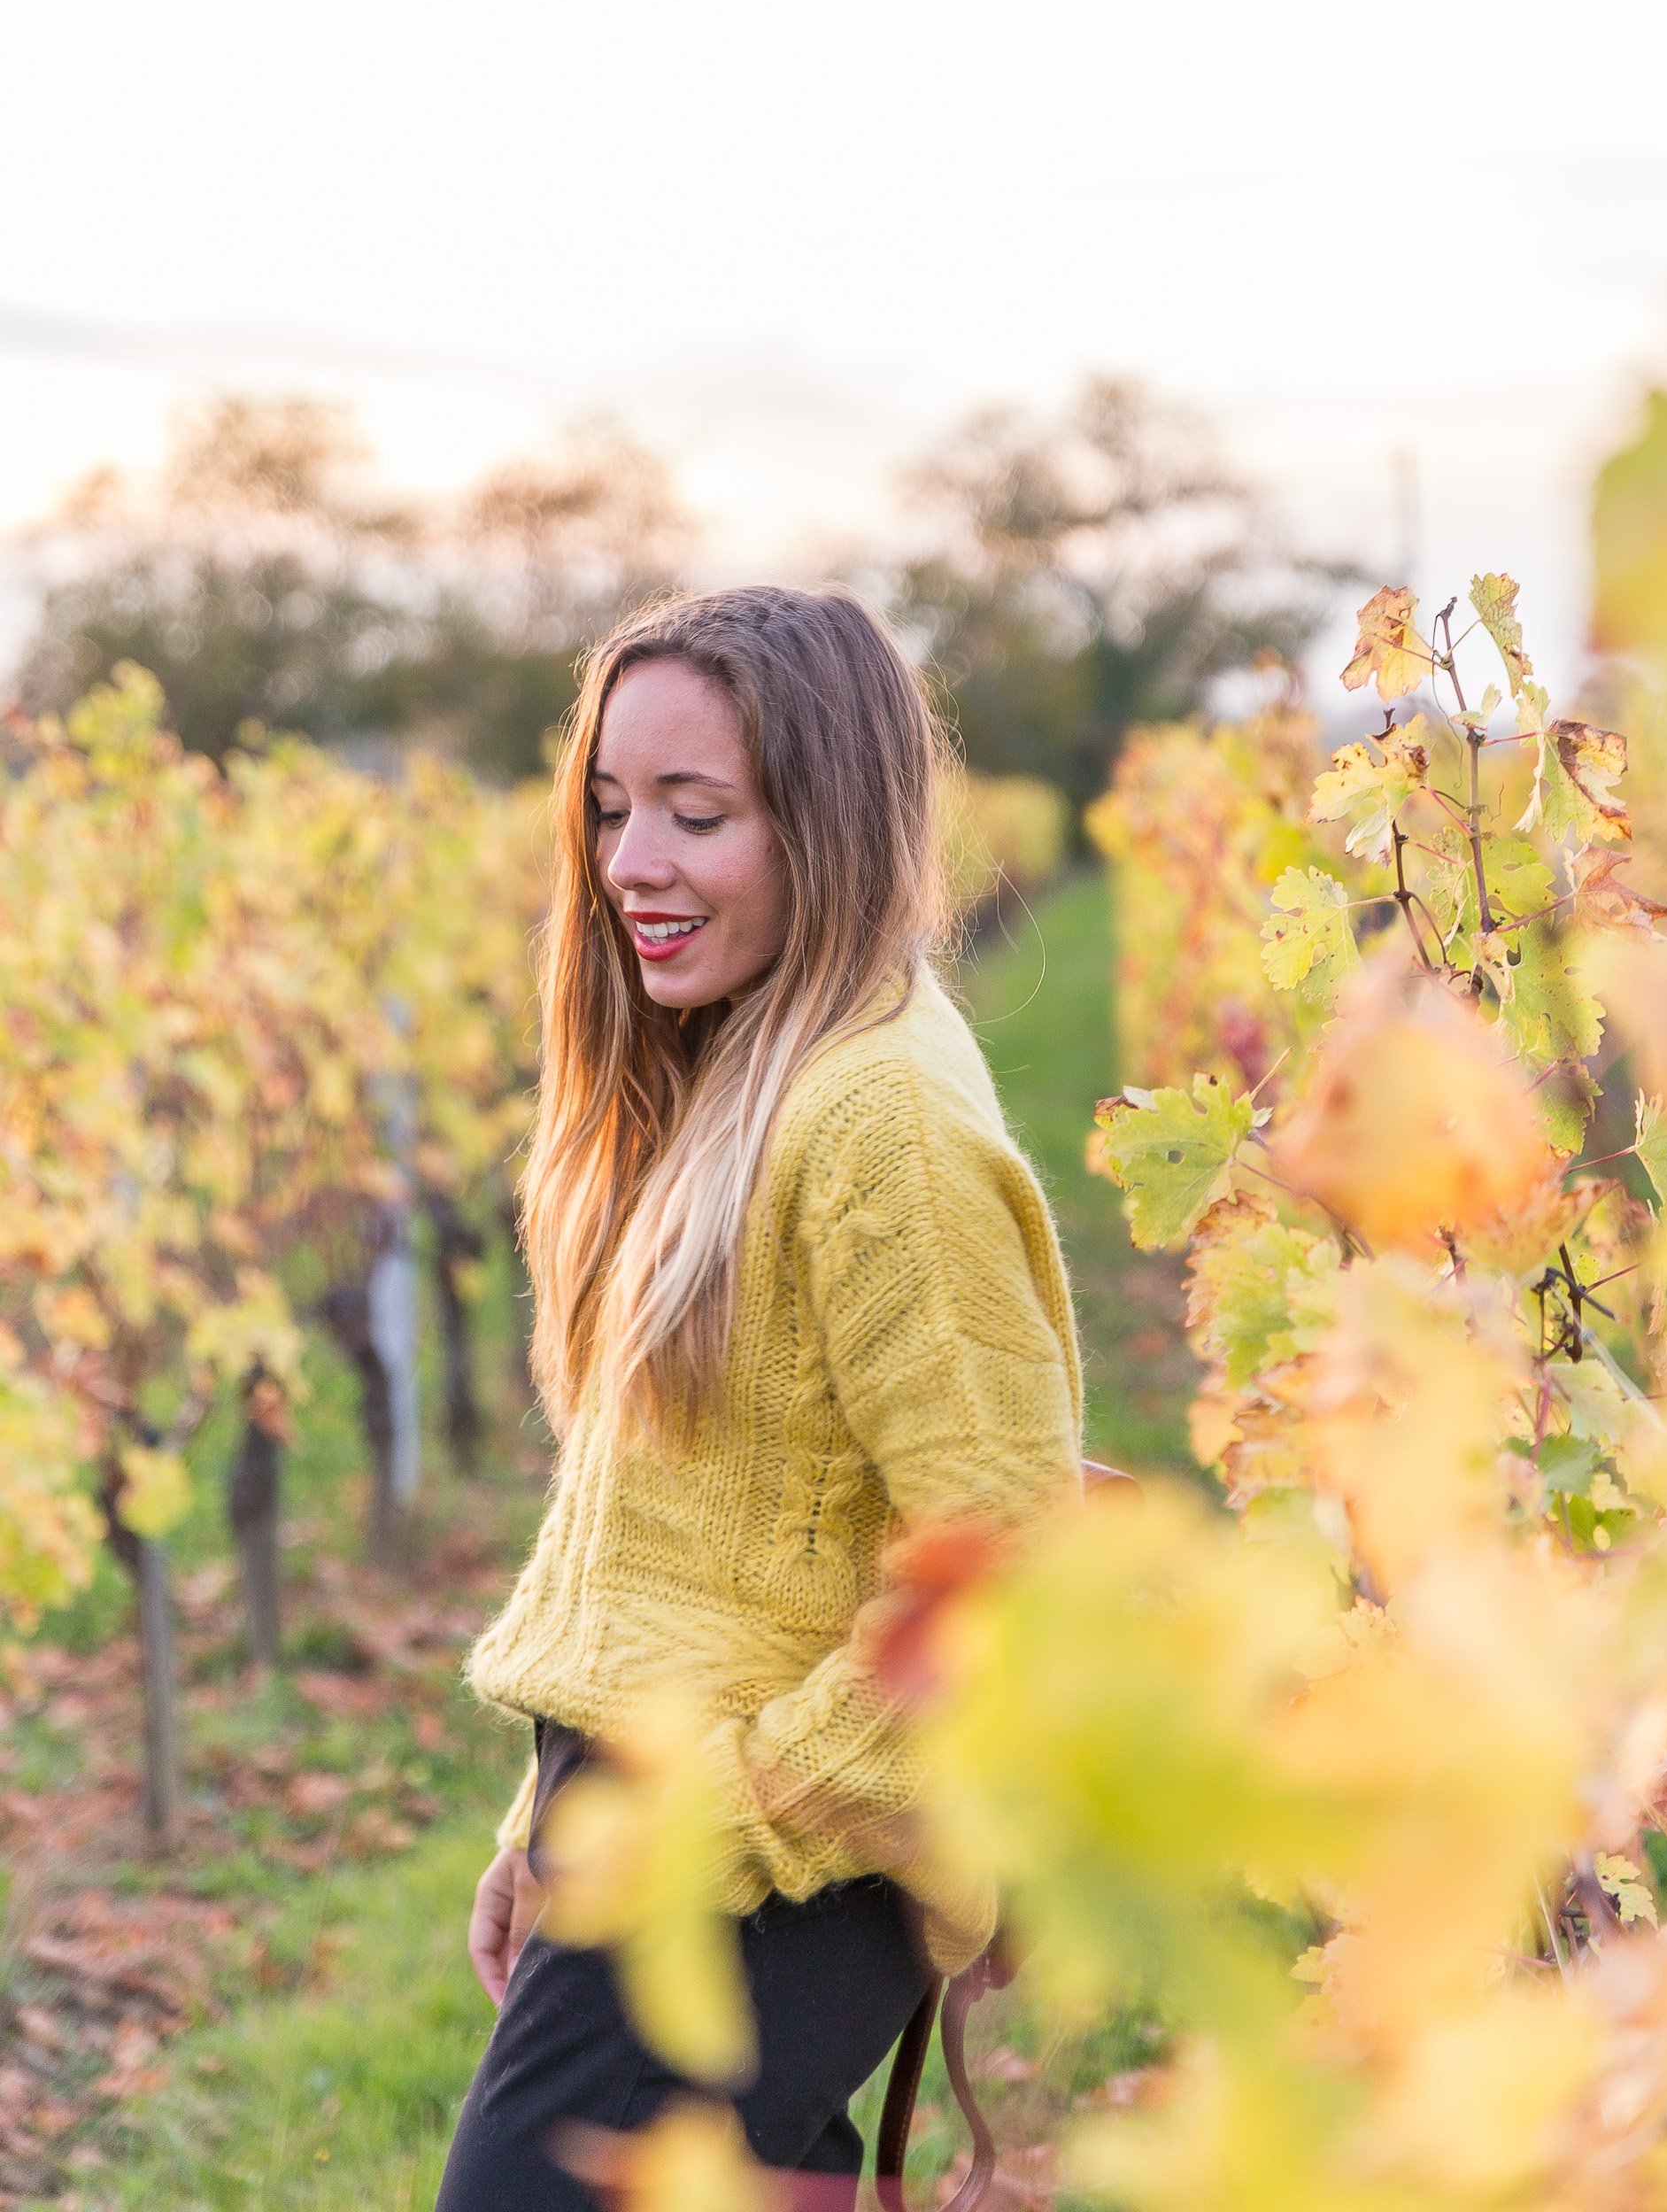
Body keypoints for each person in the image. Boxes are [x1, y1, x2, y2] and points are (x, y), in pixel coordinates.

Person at [436, 585, 1084, 2208]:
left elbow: (996, 1568)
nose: (629, 865)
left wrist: (708, 1831)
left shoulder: (877, 1125)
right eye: (609, 809)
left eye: (695, 814)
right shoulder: (751, 1065)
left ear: (831, 822)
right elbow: (674, 1545)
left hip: (771, 1849)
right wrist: (549, 1811)